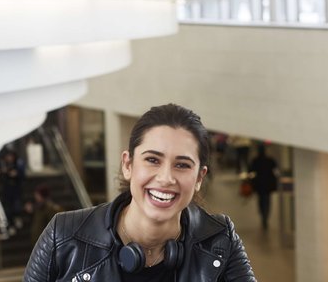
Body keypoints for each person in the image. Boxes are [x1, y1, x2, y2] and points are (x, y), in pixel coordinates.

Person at [23, 103, 256, 282]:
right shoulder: (62, 236)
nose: (166, 178)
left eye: (182, 164)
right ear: (128, 165)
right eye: (153, 160)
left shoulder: (220, 240)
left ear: (199, 178)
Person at [248, 143, 278, 230]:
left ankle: (263, 215)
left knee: (261, 200)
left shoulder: (255, 161)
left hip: (259, 184)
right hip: (268, 184)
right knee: (267, 201)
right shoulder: (270, 160)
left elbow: (251, 171)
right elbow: (275, 170)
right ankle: (266, 216)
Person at [0, 149, 25, 233]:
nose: (9, 158)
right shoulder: (3, 164)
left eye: (11, 156)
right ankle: (10, 225)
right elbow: (0, 177)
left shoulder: (18, 163)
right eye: (8, 156)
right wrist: (5, 173)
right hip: (7, 190)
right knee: (8, 209)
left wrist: (16, 174)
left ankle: (17, 220)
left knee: (17, 206)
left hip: (16, 190)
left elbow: (22, 175)